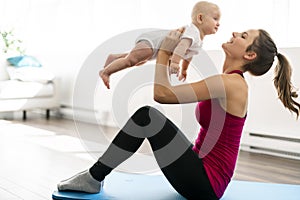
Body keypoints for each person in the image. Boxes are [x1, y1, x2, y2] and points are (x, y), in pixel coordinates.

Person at [57, 28, 300, 200]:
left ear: (250, 55)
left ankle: (94, 176)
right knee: (150, 118)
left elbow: (162, 94)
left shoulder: (231, 84)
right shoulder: (227, 81)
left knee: (147, 117)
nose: (235, 33)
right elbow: (168, 91)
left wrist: (163, 52)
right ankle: (94, 176)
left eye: (244, 36)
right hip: (200, 172)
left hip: (205, 183)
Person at [99, 1, 221, 89]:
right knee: (131, 61)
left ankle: (114, 58)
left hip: (154, 48)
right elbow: (181, 47)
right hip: (153, 42)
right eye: (215, 19)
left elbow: (188, 55)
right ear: (200, 18)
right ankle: (106, 72)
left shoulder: (198, 40)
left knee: (138, 61)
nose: (218, 23)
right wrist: (174, 63)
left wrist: (184, 69)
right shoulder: (192, 32)